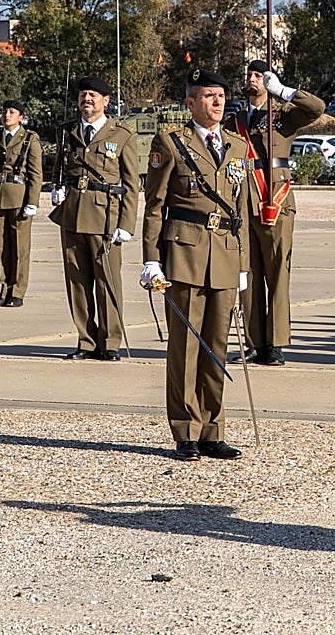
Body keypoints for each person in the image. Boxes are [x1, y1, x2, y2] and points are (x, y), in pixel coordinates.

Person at [140, 68, 250, 462]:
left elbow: (243, 213)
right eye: (208, 96)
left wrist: (244, 264)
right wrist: (151, 260)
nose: (217, 103)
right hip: (183, 253)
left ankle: (212, 429)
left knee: (217, 346)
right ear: (191, 102)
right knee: (186, 346)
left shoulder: (237, 147)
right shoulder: (171, 142)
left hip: (224, 253)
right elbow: (154, 207)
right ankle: (185, 430)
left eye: (220, 95)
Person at [231, 59, 325, 366]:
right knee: (248, 271)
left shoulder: (282, 116)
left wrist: (284, 91)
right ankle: (255, 341)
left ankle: (276, 342)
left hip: (274, 196)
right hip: (243, 198)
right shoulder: (235, 121)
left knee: (277, 272)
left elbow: (316, 108)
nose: (253, 80)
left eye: (259, 76)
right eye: (250, 75)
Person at [49, 75, 138, 361]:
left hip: (105, 218)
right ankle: (86, 340)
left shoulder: (121, 135)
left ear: (106, 101)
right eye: (83, 95)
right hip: (73, 214)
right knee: (77, 281)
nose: (87, 99)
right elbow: (60, 169)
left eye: (93, 95)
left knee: (107, 282)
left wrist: (126, 225)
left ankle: (110, 342)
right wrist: (57, 189)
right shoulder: (68, 132)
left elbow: (131, 184)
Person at [0, 99, 43, 307]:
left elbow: (36, 173)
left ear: (21, 117)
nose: (7, 115)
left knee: (19, 247)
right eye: (5, 111)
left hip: (19, 197)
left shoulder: (29, 139)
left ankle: (17, 290)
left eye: (12, 112)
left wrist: (32, 200)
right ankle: (4, 287)